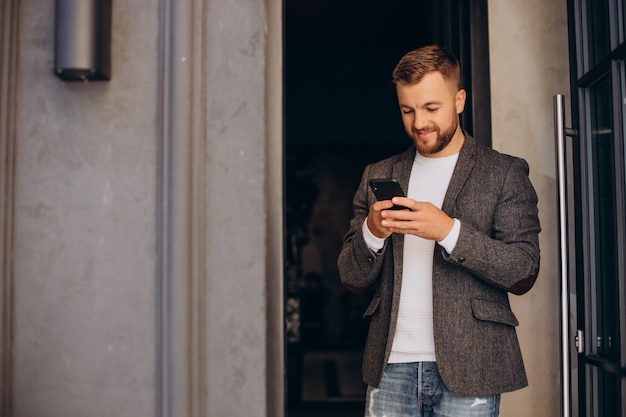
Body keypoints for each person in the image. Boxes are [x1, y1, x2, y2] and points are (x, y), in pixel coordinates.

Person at [337, 45, 541, 417]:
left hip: (472, 366)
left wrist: (448, 231)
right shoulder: (378, 175)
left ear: (459, 100)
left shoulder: (505, 172)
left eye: (431, 108)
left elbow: (523, 270)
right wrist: (372, 232)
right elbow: (351, 276)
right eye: (407, 110)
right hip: (390, 367)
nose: (419, 123)